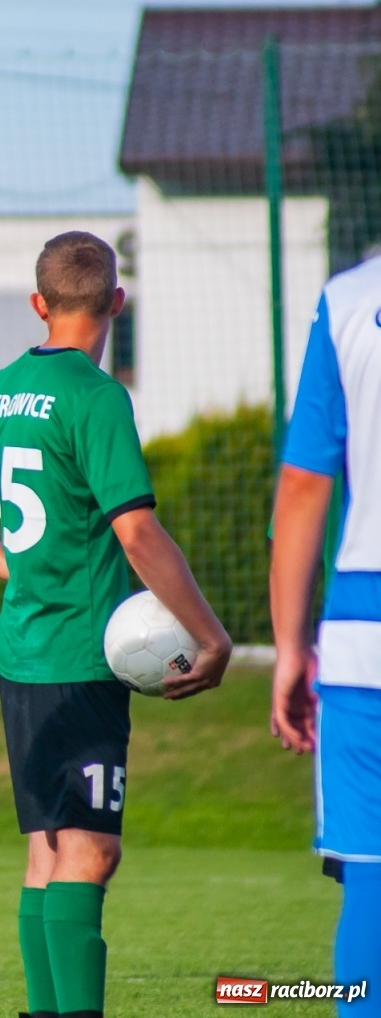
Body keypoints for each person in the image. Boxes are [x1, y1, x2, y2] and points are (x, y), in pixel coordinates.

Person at [0, 231, 232, 1018]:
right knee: (89, 852)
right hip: (79, 657)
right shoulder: (96, 396)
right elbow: (137, 532)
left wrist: (10, 567)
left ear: (38, 304)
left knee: (47, 852)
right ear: (117, 301)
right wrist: (213, 637)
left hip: (20, 650)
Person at [269, 254, 381, 1017]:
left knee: (372, 877)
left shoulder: (349, 300)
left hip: (365, 639)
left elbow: (306, 483)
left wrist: (288, 648)